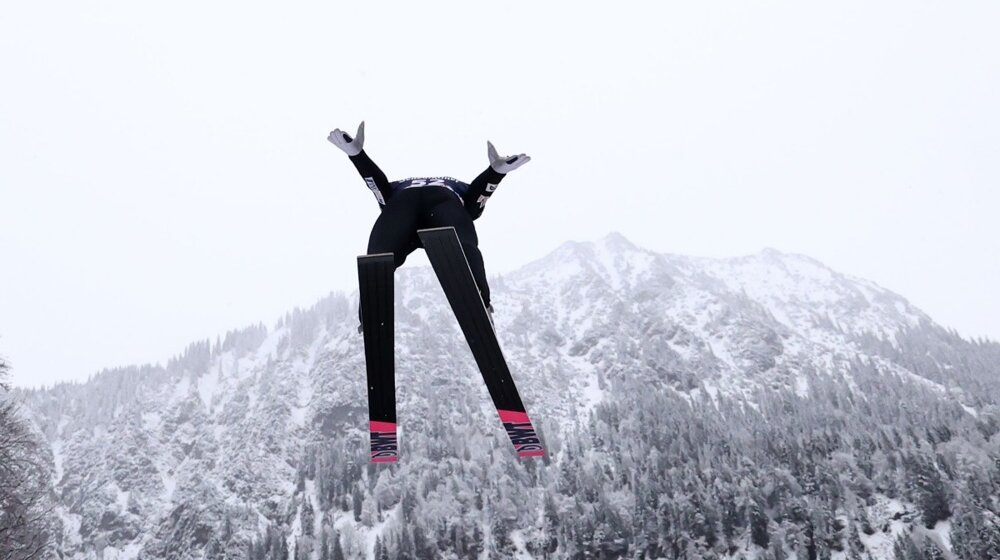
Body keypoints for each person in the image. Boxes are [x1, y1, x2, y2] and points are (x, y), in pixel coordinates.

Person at [327, 121, 530, 319]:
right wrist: (495, 173)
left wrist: (357, 156)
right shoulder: (459, 192)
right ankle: (478, 297)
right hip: (443, 200)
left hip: (402, 202)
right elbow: (476, 198)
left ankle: (371, 314)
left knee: (379, 257)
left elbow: (377, 186)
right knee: (463, 248)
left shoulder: (402, 188)